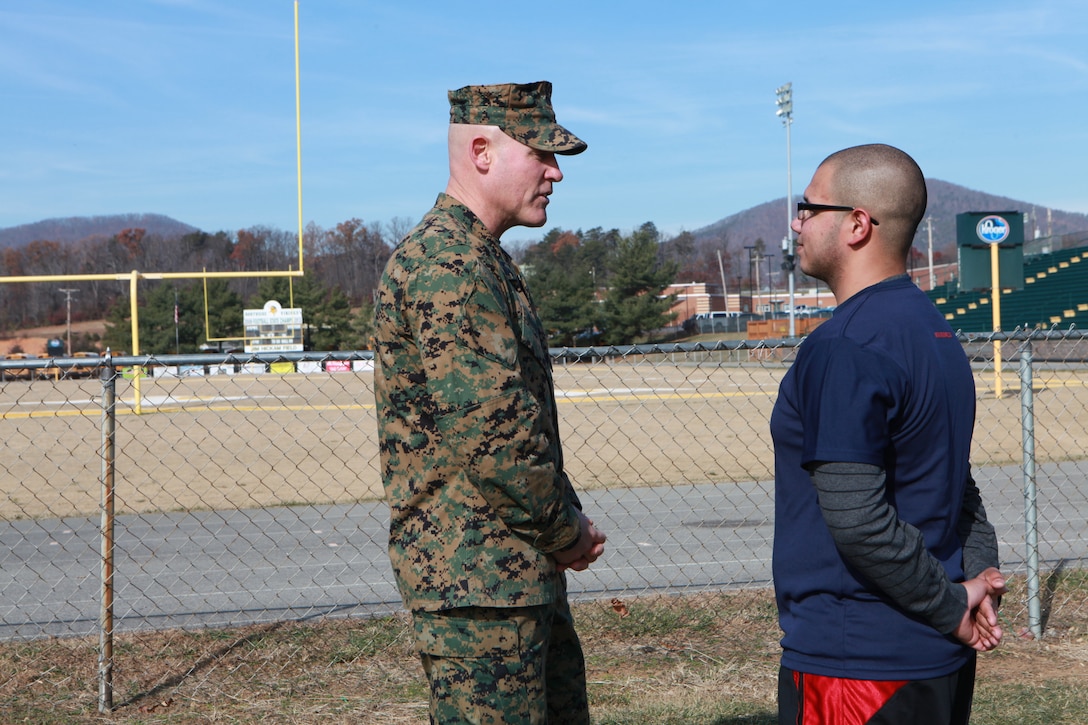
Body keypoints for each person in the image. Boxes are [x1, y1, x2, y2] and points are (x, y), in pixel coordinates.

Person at [372, 81, 606, 724]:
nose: (556, 172)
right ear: (482, 151)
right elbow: (497, 436)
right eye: (541, 154)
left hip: (508, 574)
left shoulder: (477, 258)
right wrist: (567, 531)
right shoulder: (452, 266)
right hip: (482, 585)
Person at [770, 144, 1007, 725]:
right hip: (933, 657)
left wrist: (953, 605)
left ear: (857, 224)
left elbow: (858, 518)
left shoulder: (846, 345)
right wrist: (977, 578)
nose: (797, 222)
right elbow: (957, 483)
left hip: (859, 663)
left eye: (808, 208)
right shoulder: (932, 331)